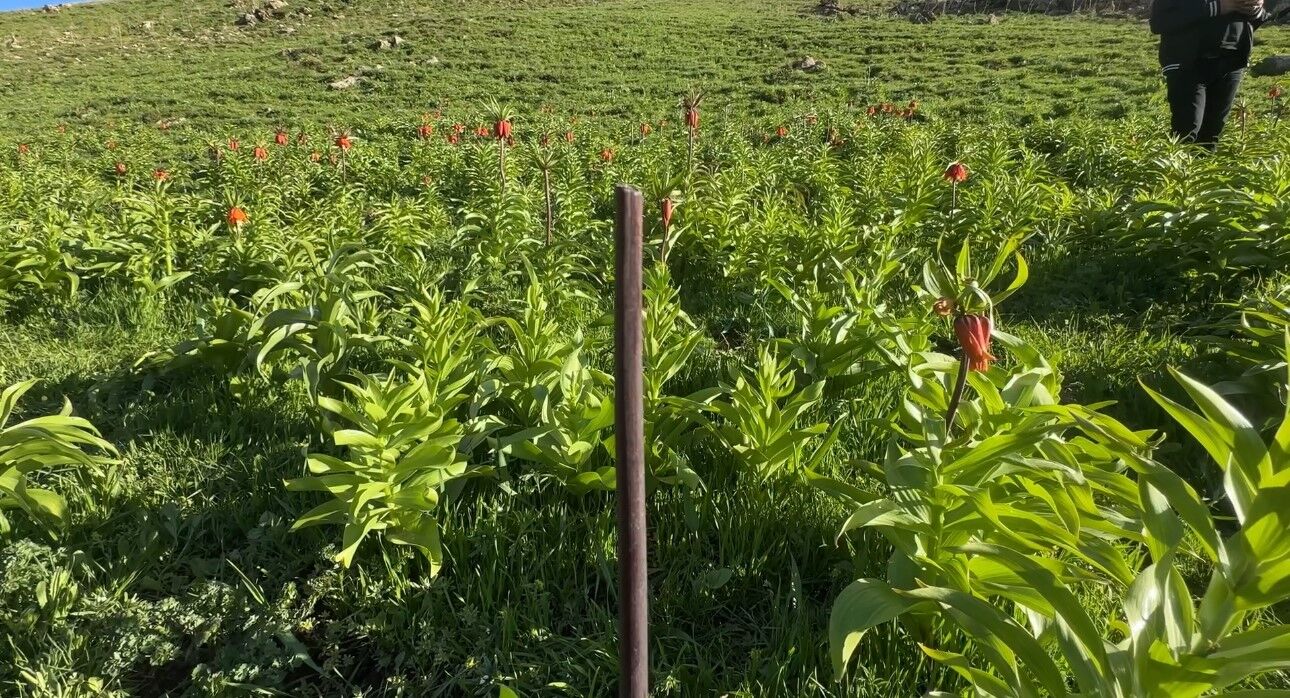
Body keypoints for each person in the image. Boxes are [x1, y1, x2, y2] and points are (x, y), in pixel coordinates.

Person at [1150, 0, 1274, 149]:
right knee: (1187, 130)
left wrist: (1254, 10)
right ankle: (1171, 170)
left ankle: (1204, 168)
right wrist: (1218, 7)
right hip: (1187, 63)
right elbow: (1159, 22)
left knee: (1211, 135)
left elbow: (1256, 20)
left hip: (1231, 61)